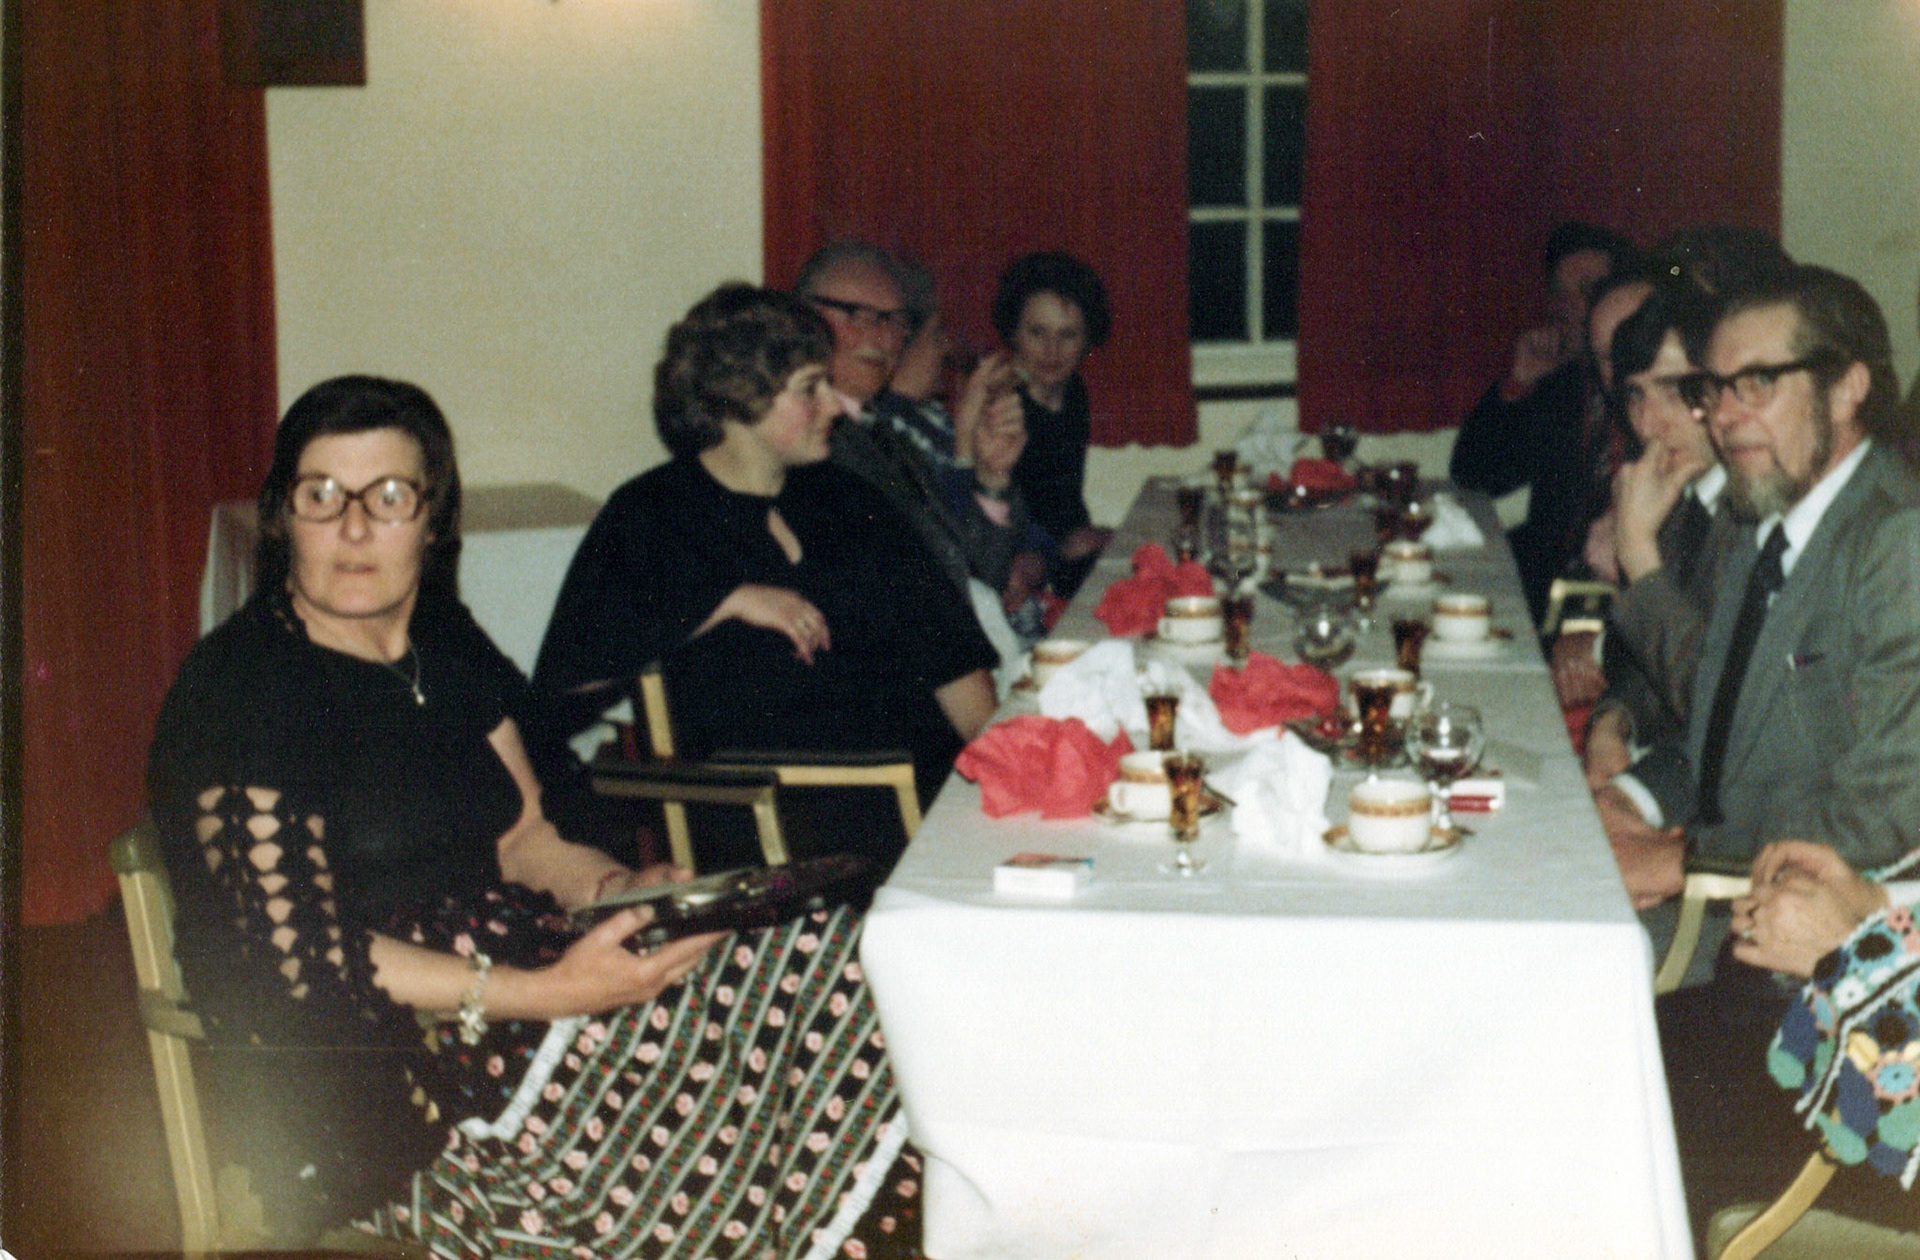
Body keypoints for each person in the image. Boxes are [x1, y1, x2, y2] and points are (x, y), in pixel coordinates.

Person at [146, 374, 921, 1257]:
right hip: (392, 1065)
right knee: (721, 1070)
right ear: (281, 518)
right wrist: (546, 993)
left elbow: (527, 838)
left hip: (527, 973)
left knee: (826, 958)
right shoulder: (240, 692)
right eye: (322, 497)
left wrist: (624, 890)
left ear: (433, 520)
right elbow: (300, 965)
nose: (354, 528)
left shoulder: (444, 643)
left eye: (388, 496)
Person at [534, 284, 998, 824]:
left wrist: (1009, 775)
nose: (833, 405)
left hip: (921, 797)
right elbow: (564, 687)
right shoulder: (650, 515)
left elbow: (953, 664)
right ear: (738, 399)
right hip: (771, 822)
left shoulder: (847, 498)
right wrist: (723, 602)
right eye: (810, 388)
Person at [1595, 265, 1920, 953]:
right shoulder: (1765, 523)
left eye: (1758, 383)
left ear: (1845, 390)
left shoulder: (1899, 543)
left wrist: (1680, 862)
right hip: (1726, 892)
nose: (1724, 414)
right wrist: (1635, 798)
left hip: (1798, 937)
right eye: (1713, 389)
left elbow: (1882, 817)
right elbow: (1729, 732)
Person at [1661, 839, 1920, 1240]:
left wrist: (1844, 950)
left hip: (1888, 1156)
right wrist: (1874, 901)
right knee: (1629, 1044)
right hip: (1820, 1056)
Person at [1571, 283, 1742, 783]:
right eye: (1636, 395)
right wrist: (1612, 722)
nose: (1649, 424)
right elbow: (1649, 663)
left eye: (1675, 391)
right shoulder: (1685, 494)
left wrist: (1635, 549)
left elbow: (1716, 707)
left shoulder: (1754, 514)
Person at [1451, 222, 1639, 623]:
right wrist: (1518, 382)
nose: (1571, 307)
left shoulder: (1654, 398)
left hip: (1608, 604)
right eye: (1561, 293)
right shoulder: (1563, 382)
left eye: (1588, 290)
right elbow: (1474, 474)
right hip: (1542, 588)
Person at [991, 250, 1116, 597]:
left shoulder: (1075, 391)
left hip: (1069, 549)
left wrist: (1092, 537)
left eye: (1068, 335)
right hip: (1024, 565)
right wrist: (1061, 549)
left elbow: (1064, 502)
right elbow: (997, 523)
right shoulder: (1003, 405)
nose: (1052, 349)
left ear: (1087, 341)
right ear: (1014, 333)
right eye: (1037, 332)